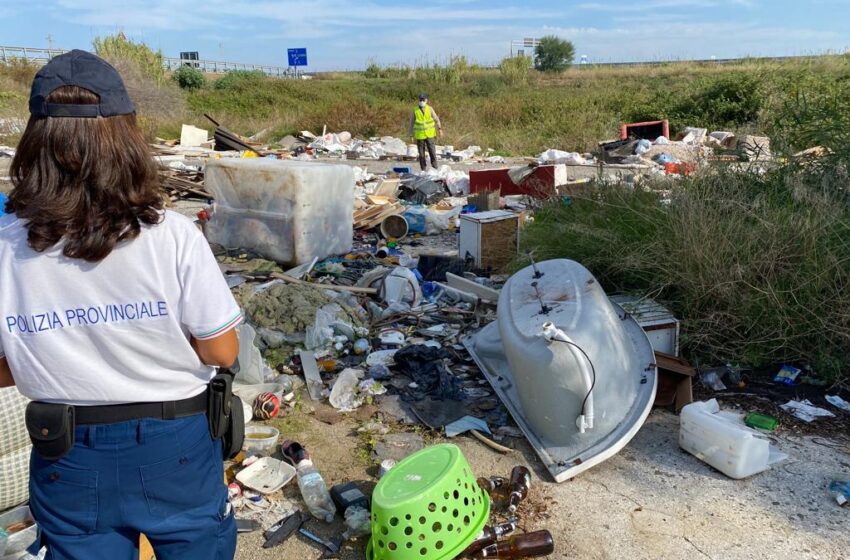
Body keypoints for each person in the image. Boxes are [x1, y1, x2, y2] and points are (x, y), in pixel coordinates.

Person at [0, 50, 242, 560]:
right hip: (173, 444)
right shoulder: (171, 236)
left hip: (66, 453)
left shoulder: (4, 246)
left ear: (35, 143)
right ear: (125, 137)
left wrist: (51, 347)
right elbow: (221, 351)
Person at [408, 93, 443, 170]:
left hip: (430, 135)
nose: (421, 101)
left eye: (423, 100)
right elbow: (411, 123)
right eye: (420, 100)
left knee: (432, 152)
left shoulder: (430, 109)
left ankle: (435, 168)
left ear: (426, 100)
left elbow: (436, 119)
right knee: (421, 154)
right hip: (420, 135)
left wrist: (440, 129)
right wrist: (410, 135)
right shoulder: (415, 110)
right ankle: (423, 169)